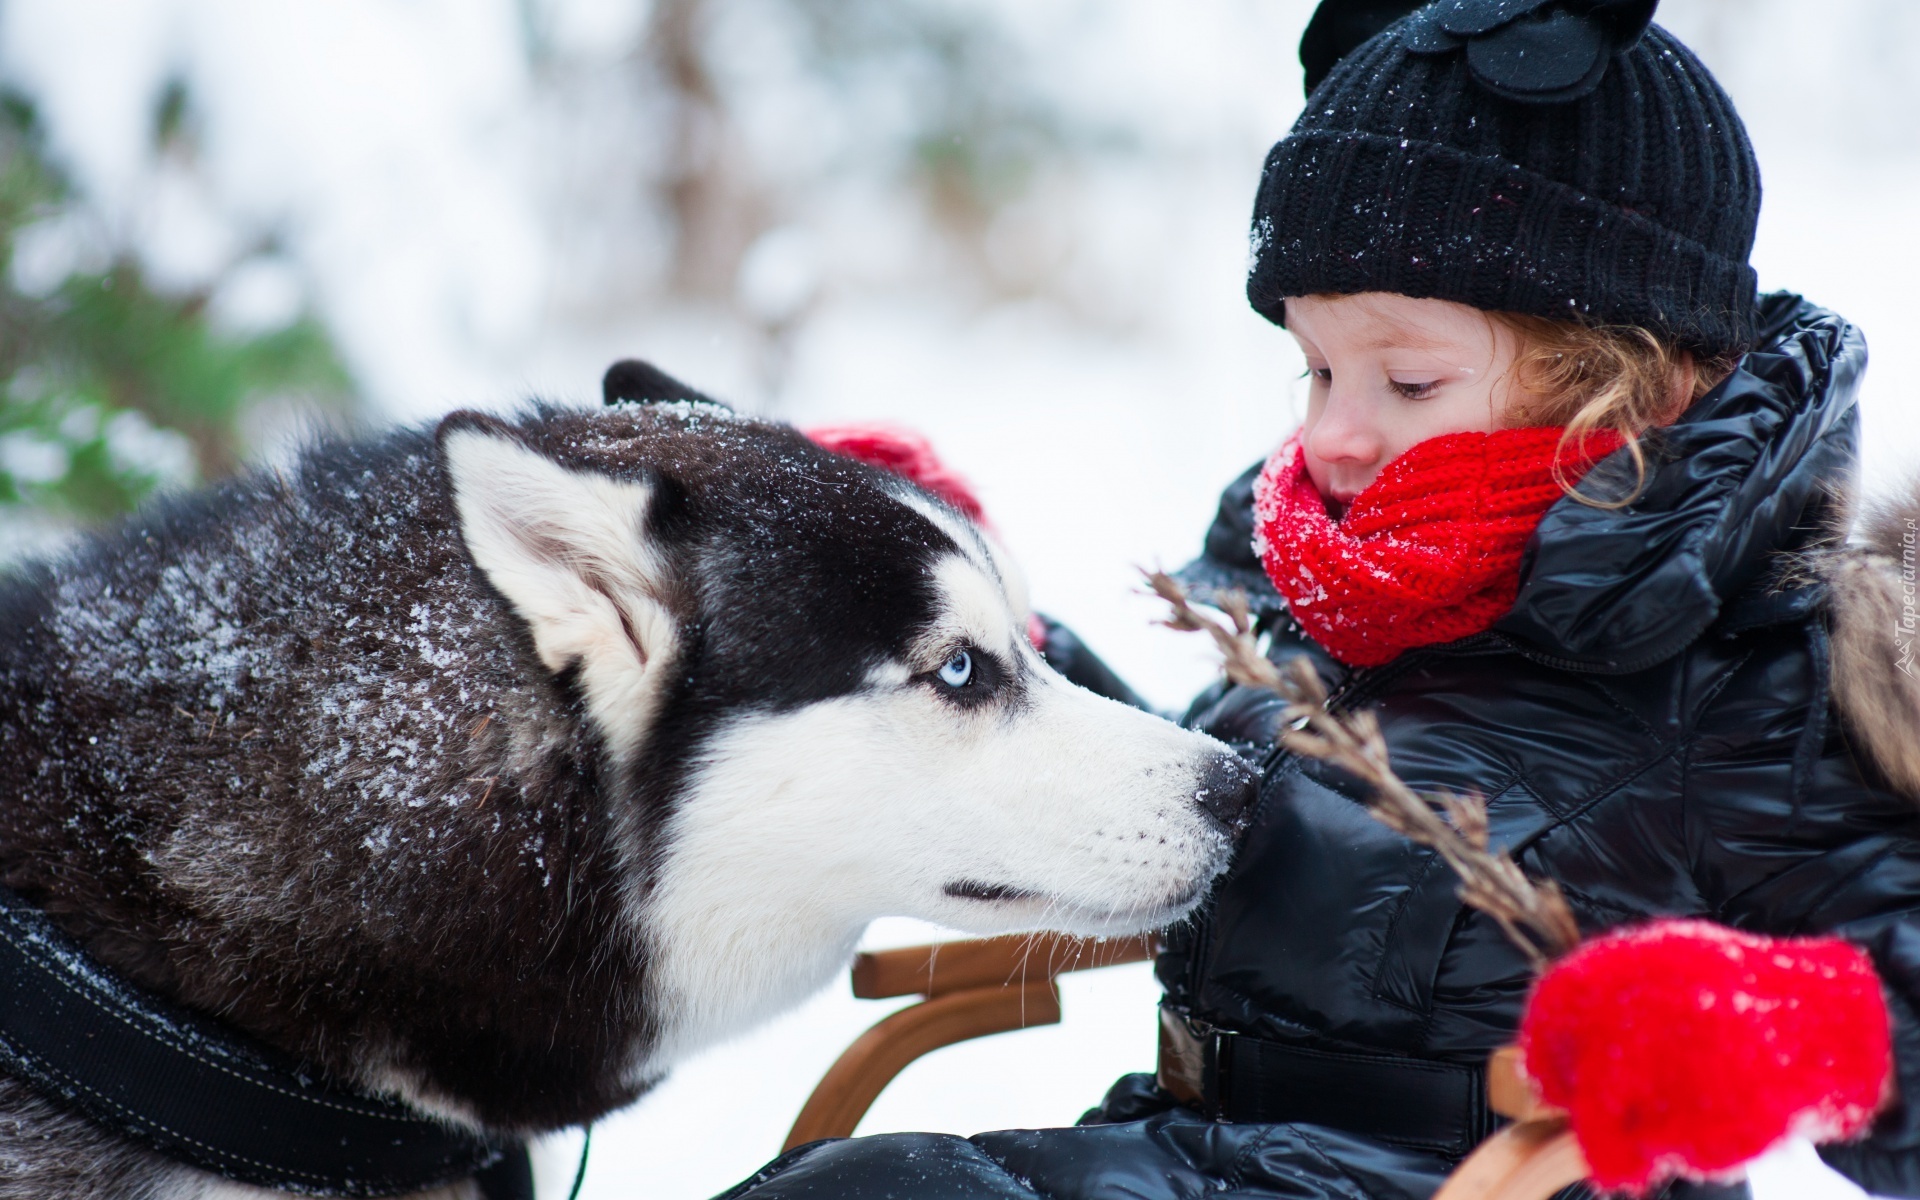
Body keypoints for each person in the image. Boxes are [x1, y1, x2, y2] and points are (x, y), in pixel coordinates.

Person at [715, 2, 1920, 1197]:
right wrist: (984, 652)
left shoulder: (1751, 672)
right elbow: (1224, 814)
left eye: (1404, 377)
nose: (1332, 432)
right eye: (1318, 367)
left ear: (1631, 386)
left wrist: (1804, 1033)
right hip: (1192, 1143)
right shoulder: (1347, 592)